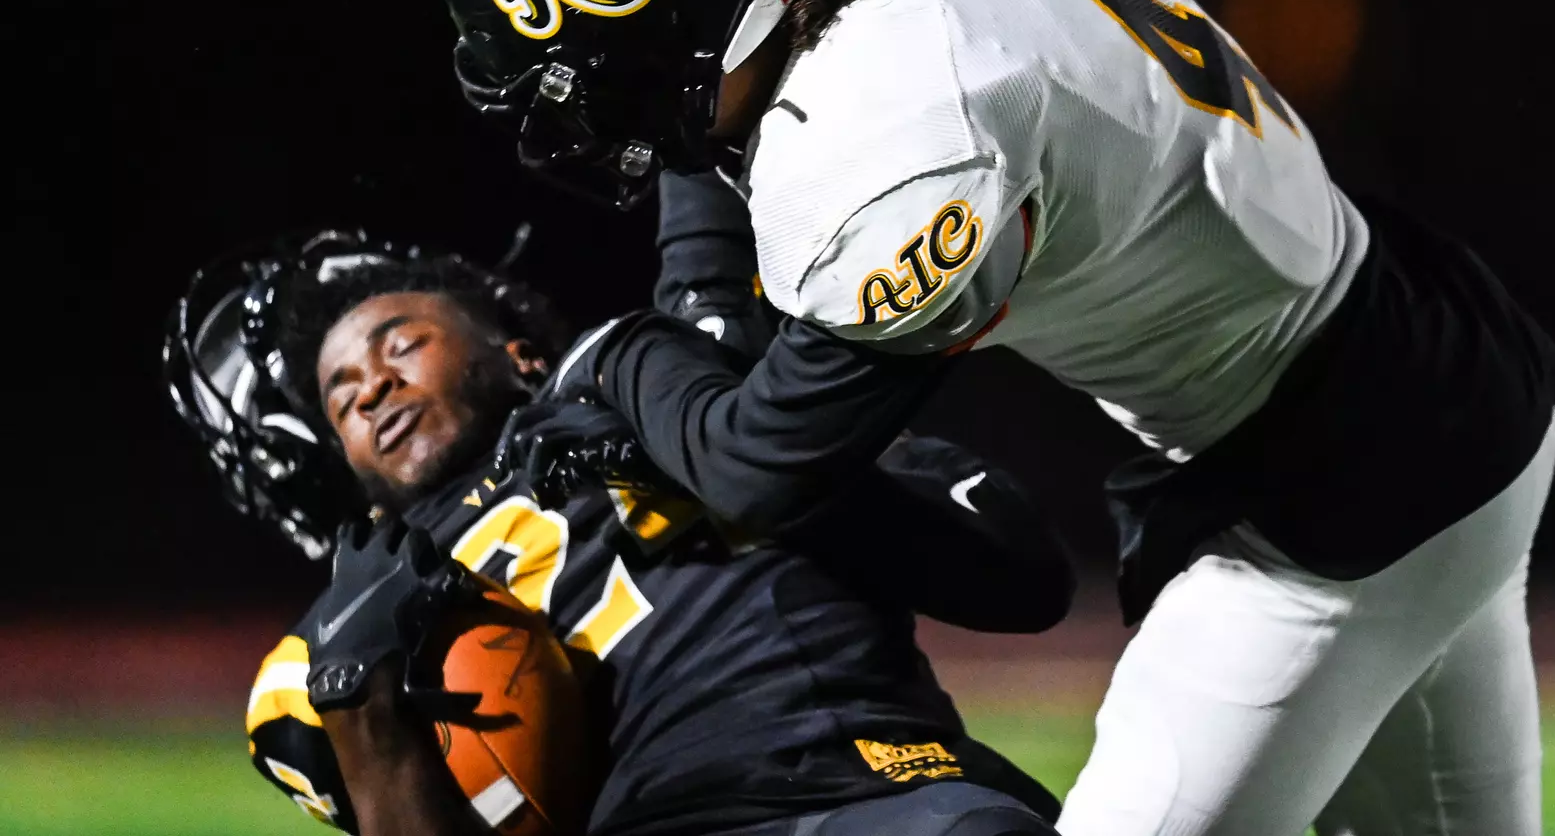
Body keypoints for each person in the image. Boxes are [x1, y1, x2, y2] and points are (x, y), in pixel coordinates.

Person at [438, 0, 1555, 836]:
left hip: (1344, 487)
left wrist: (618, 356)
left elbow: (759, 466)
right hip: (1427, 364)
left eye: (592, 75)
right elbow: (713, 86)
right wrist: (699, 304)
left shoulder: (900, 150)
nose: (591, 113)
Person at [164, 174, 1074, 836]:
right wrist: (362, 706)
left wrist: (743, 470)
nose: (371, 387)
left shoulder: (653, 397)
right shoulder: (340, 633)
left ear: (519, 354)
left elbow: (1026, 580)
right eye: (341, 396)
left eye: (400, 345)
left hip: (879, 789)